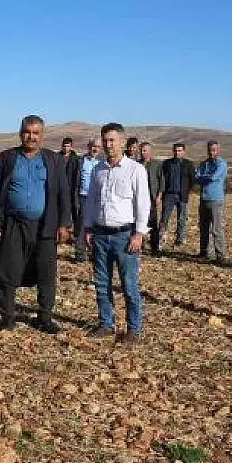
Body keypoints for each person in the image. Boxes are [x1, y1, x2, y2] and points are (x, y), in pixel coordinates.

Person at [0, 115, 72, 334]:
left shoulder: (52, 160)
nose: (31, 137)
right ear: (20, 133)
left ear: (42, 135)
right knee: (7, 270)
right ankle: (7, 317)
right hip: (13, 224)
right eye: (27, 132)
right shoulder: (8, 158)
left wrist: (64, 224)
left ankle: (44, 317)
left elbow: (64, 193)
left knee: (46, 272)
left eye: (36, 133)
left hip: (45, 226)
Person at [84, 123, 150, 343]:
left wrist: (139, 233)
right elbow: (92, 201)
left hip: (125, 236)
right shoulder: (98, 170)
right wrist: (87, 227)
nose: (108, 144)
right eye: (105, 140)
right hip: (100, 235)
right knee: (101, 283)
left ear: (122, 142)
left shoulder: (135, 170)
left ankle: (133, 329)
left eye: (112, 140)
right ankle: (106, 324)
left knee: (128, 285)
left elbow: (143, 203)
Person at [195, 140, 229, 263]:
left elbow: (213, 177)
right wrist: (205, 178)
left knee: (216, 228)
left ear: (218, 150)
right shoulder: (204, 163)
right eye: (209, 150)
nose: (211, 152)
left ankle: (220, 255)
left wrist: (205, 178)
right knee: (203, 227)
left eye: (214, 150)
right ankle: (204, 252)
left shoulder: (221, 164)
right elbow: (197, 177)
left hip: (215, 199)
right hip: (204, 198)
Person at [157, 143, 194, 252]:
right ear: (173, 151)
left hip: (182, 195)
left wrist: (187, 191)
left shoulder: (188, 164)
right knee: (164, 218)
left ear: (184, 152)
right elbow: (162, 178)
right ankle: (161, 239)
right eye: (175, 150)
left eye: (179, 150)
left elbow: (192, 180)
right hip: (169, 194)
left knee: (181, 219)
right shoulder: (167, 164)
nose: (177, 152)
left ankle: (179, 240)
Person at [72, 139, 102, 262]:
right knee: (82, 227)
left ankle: (96, 254)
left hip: (98, 199)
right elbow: (74, 181)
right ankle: (80, 254)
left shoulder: (102, 163)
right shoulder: (80, 161)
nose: (95, 149)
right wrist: (75, 199)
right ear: (88, 147)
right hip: (83, 197)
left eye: (98, 147)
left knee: (98, 227)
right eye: (93, 146)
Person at [139, 142, 164, 255]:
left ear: (150, 151)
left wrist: (159, 195)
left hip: (152, 197)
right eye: (141, 150)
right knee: (139, 221)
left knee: (153, 223)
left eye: (144, 150)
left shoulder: (157, 164)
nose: (142, 152)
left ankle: (155, 247)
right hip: (139, 198)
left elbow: (162, 181)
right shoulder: (137, 164)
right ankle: (139, 244)